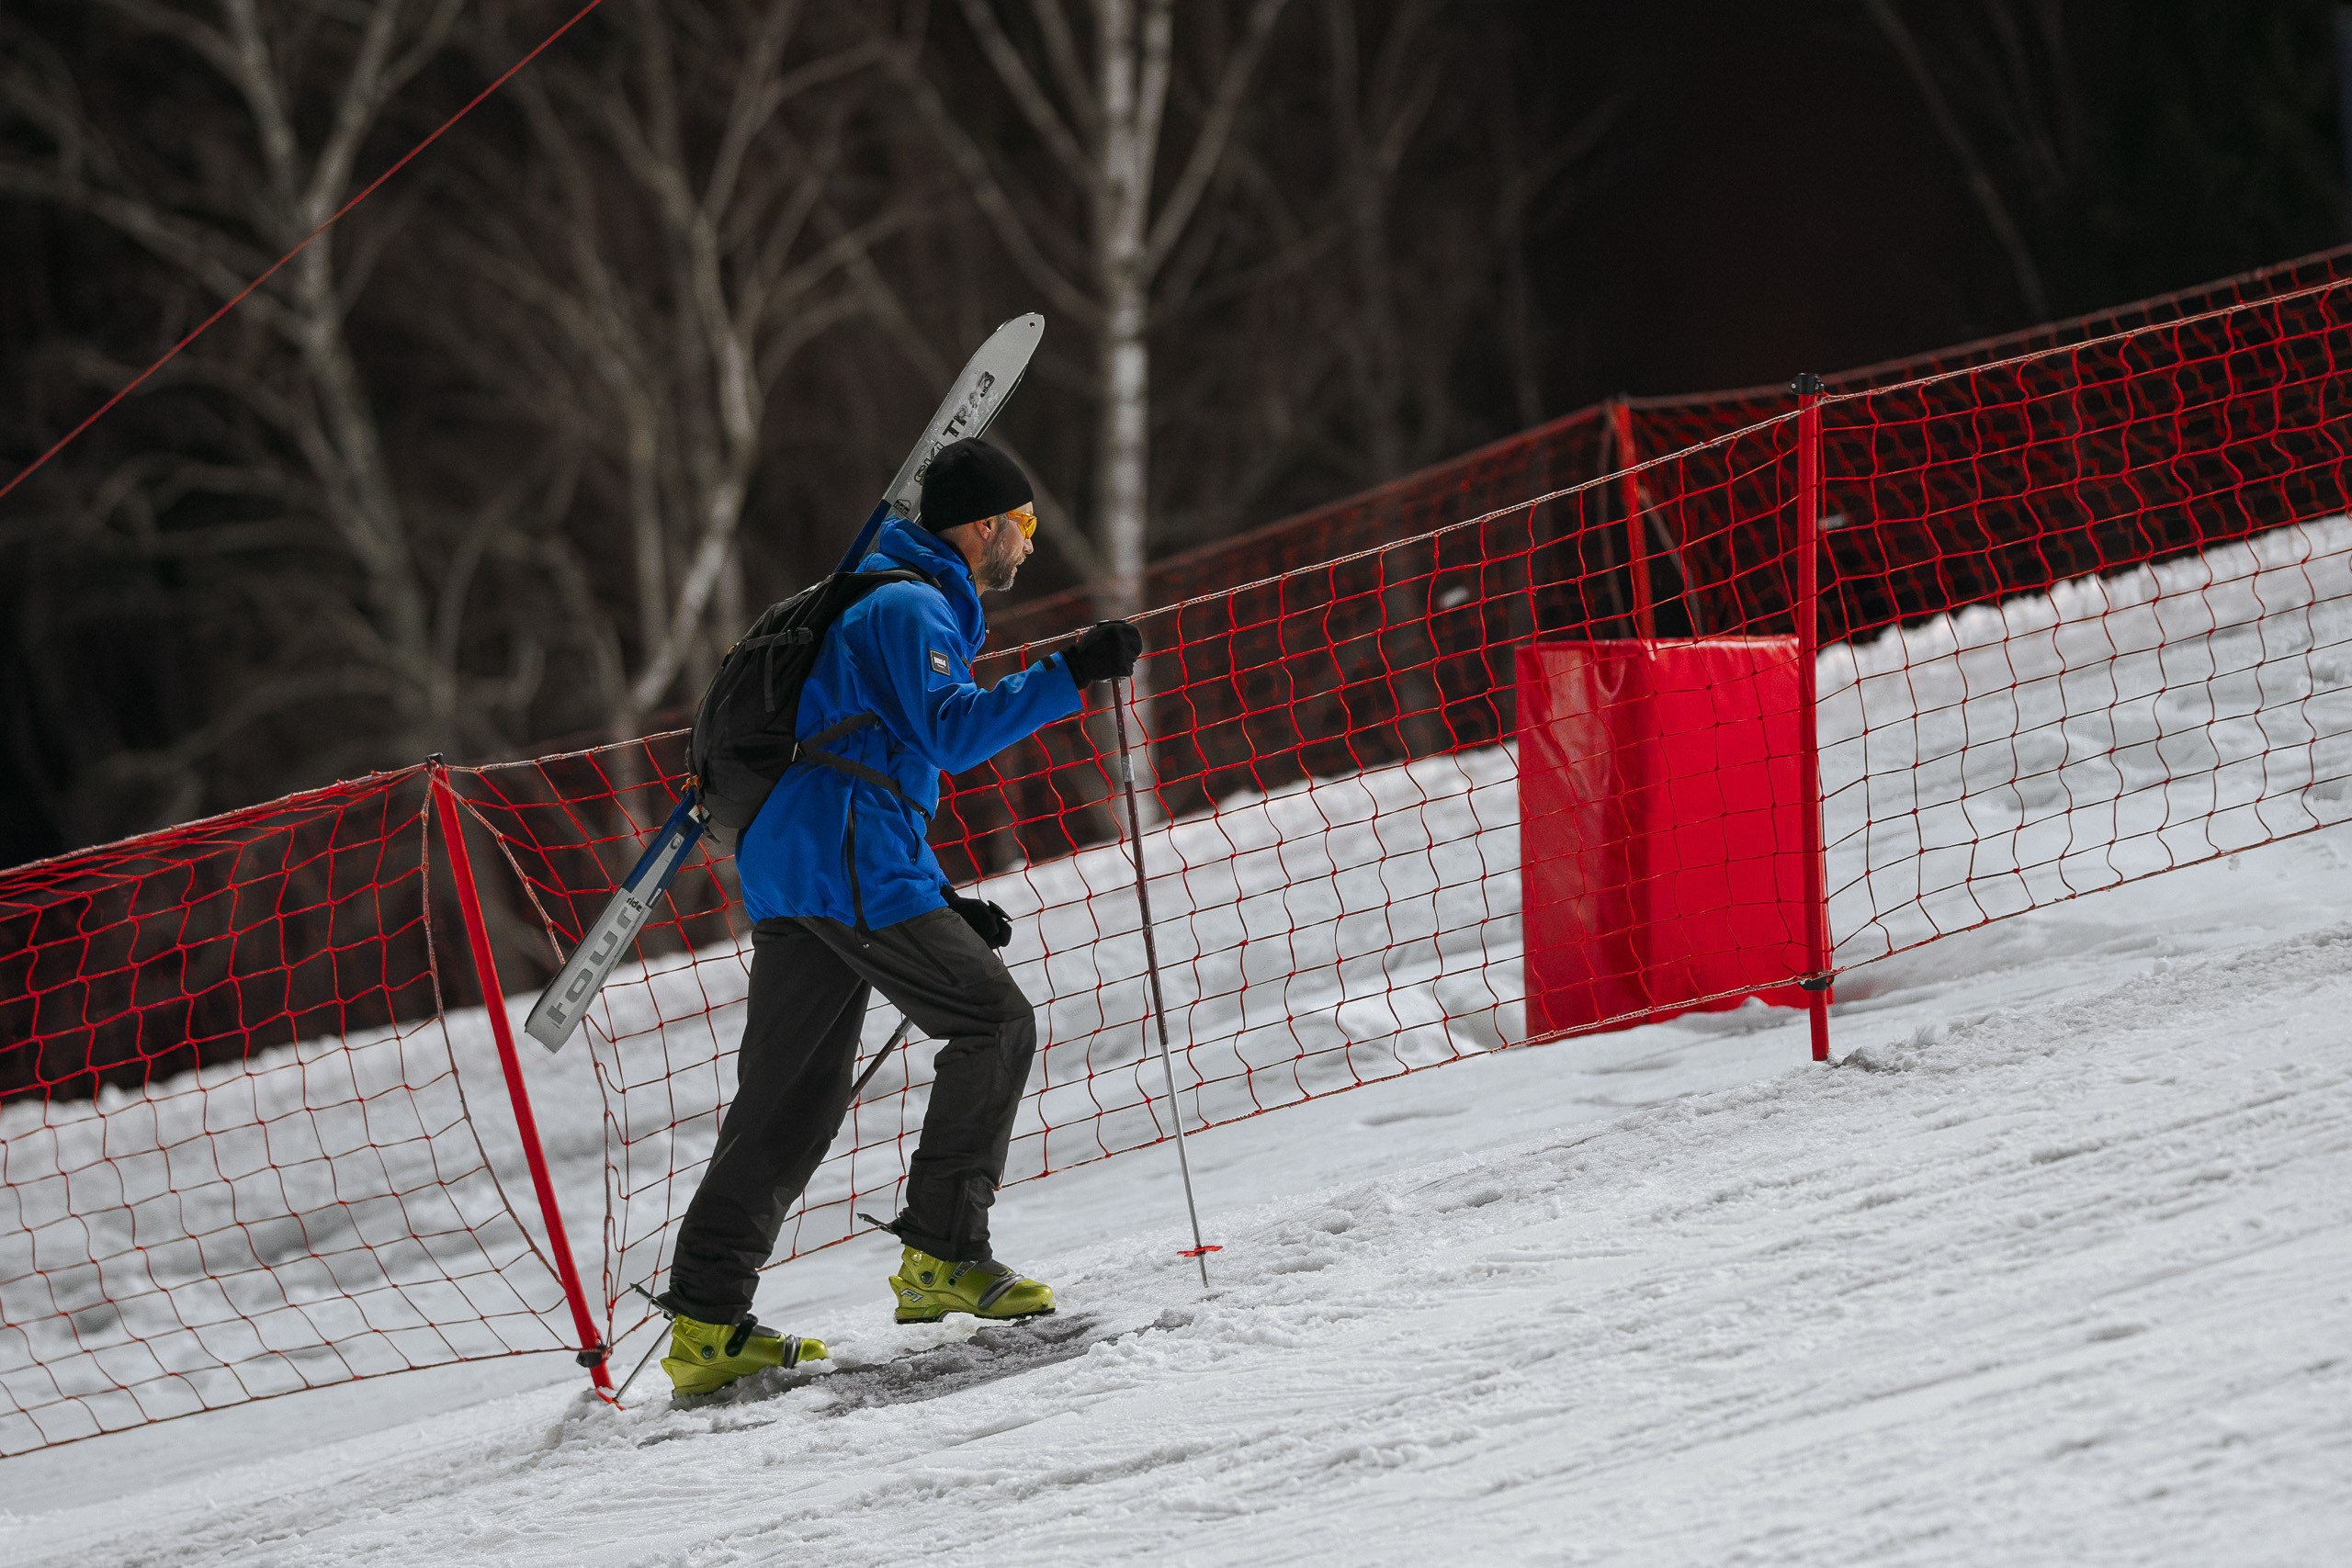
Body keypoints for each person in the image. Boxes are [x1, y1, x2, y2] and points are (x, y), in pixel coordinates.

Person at [656, 437, 1143, 1395]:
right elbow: (949, 734)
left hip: (800, 866)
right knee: (993, 1024)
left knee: (789, 1098)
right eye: (1024, 523)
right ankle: (944, 1255)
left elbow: (868, 758)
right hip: (848, 865)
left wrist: (937, 896)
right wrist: (1070, 672)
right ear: (982, 525)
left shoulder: (877, 597)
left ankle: (706, 1324)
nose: (1029, 542)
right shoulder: (909, 605)